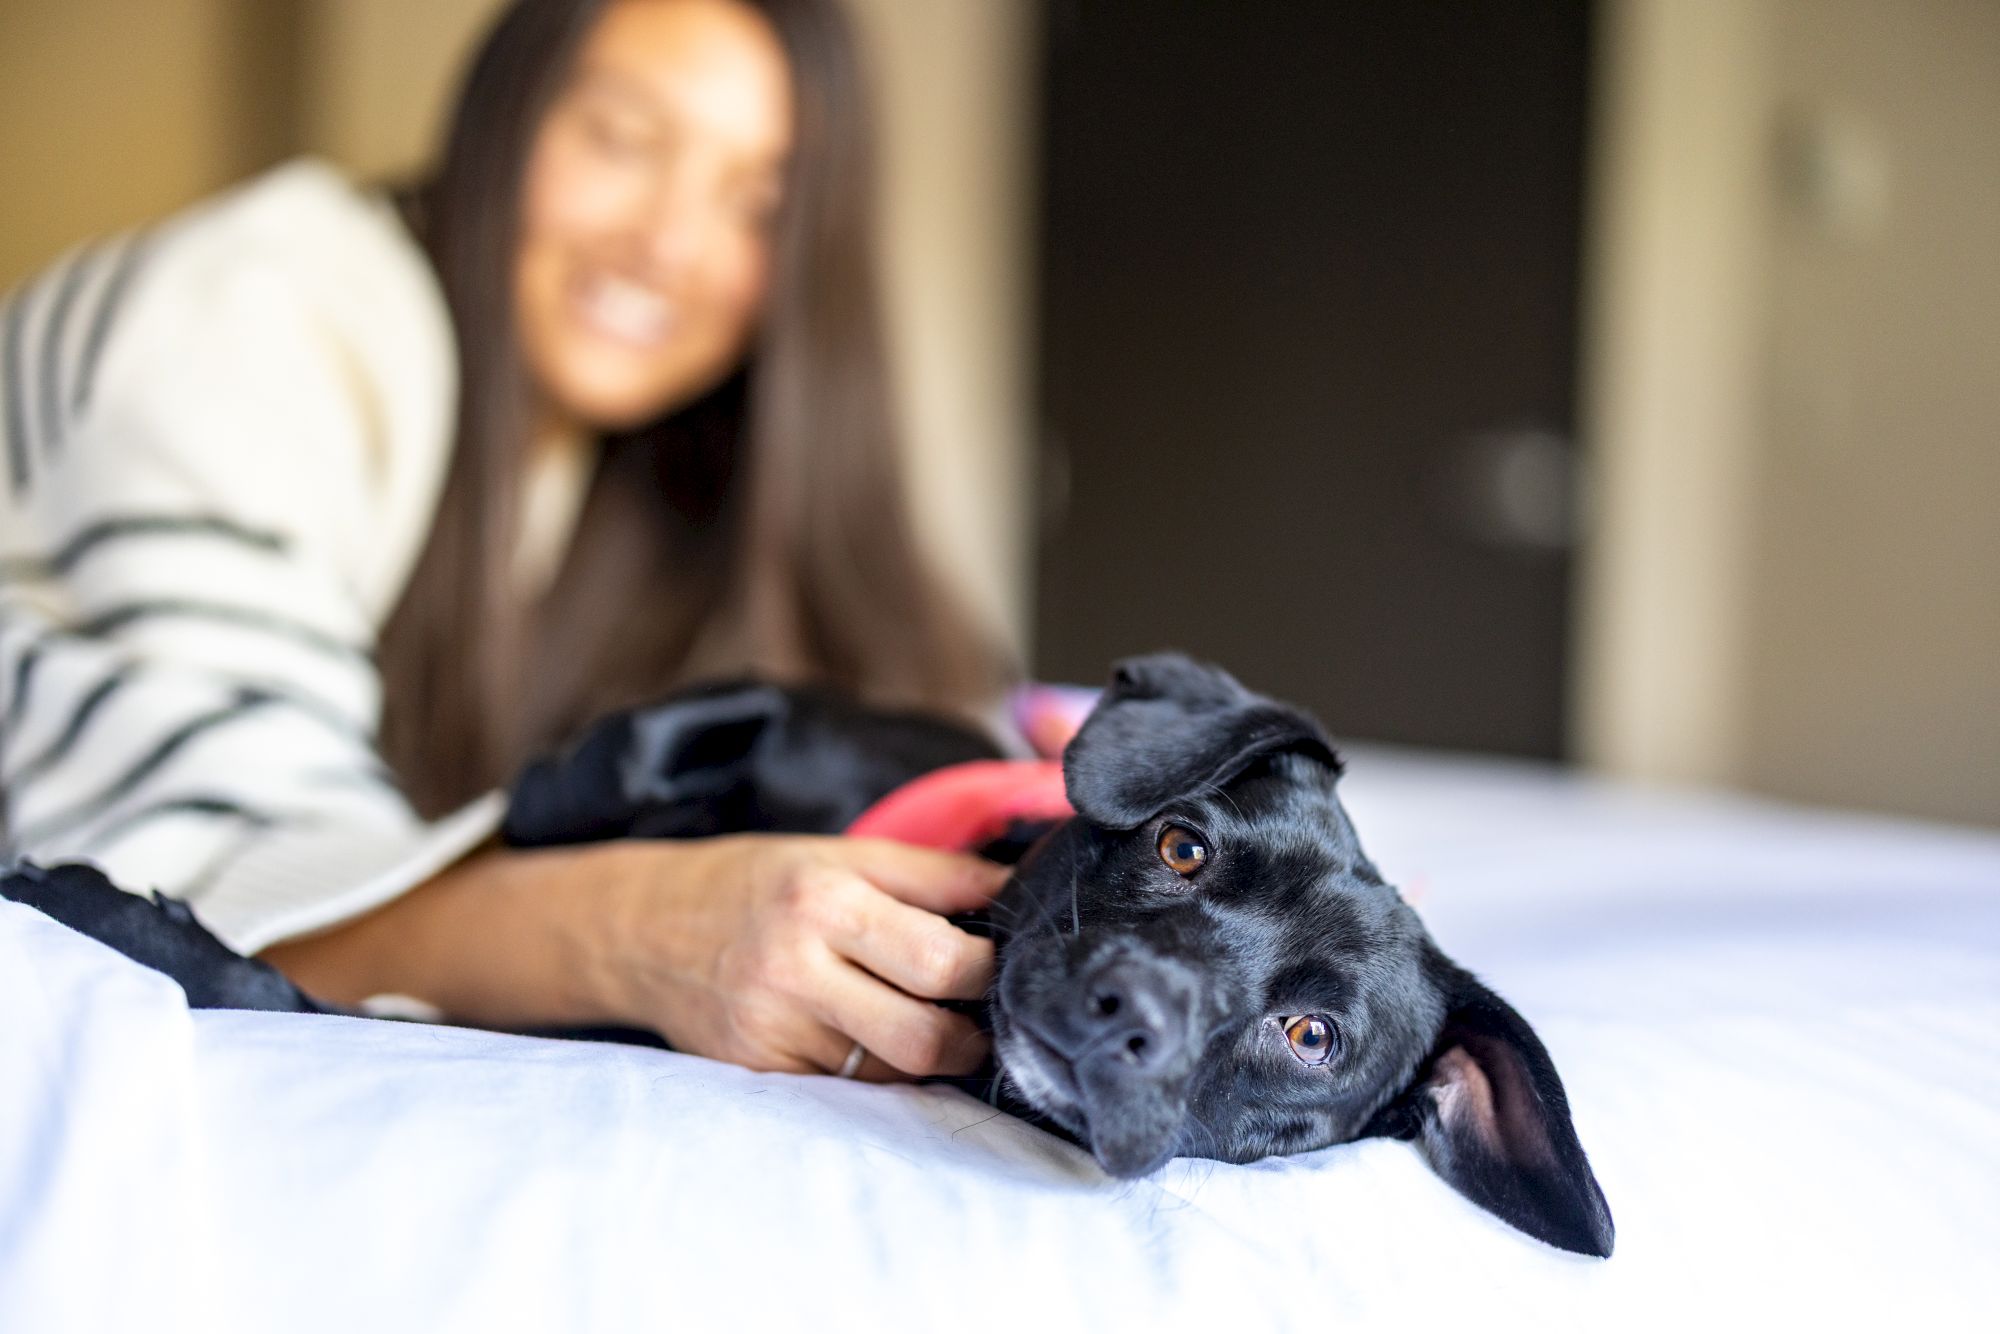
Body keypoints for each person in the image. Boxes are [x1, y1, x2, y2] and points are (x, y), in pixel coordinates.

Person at [0, 0, 1013, 1083]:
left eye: (756, 207)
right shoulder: (244, 320)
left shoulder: (619, 467)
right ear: (507, 108)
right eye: (622, 142)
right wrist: (653, 925)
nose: (669, 244)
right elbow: (217, 881)